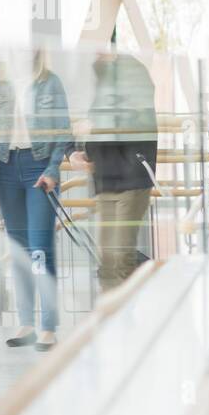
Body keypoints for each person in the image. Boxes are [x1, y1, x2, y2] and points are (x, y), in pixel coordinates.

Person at [0, 49, 72, 353]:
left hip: (38, 167)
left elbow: (63, 129)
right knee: (19, 249)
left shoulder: (50, 82)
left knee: (40, 248)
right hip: (6, 168)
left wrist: (53, 169)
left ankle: (47, 326)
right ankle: (26, 323)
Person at [70, 51, 158, 293]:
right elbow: (84, 127)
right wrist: (77, 151)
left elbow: (131, 124)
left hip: (132, 180)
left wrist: (95, 127)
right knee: (107, 259)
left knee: (120, 255)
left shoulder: (133, 80)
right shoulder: (101, 93)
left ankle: (126, 319)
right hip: (105, 180)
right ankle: (113, 317)